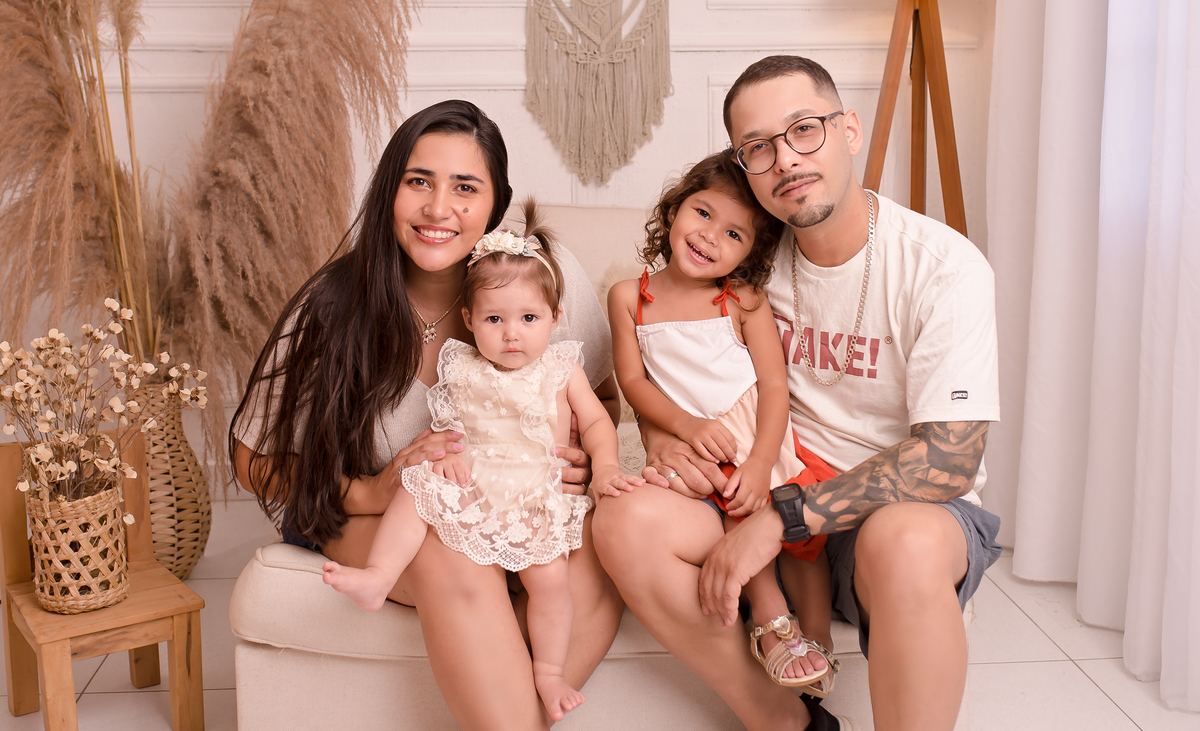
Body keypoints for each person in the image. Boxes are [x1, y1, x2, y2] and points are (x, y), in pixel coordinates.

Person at [594, 55, 1002, 731]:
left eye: (804, 129)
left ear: (849, 129)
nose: (784, 158)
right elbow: (661, 363)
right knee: (621, 521)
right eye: (758, 146)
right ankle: (788, 722)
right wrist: (665, 438)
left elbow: (950, 460)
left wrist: (783, 517)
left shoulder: (940, 266)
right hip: (757, 491)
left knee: (902, 541)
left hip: (889, 515)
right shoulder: (745, 257)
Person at [229, 100, 625, 730]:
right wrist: (367, 491)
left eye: (465, 188)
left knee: (605, 546)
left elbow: (600, 401)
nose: (439, 209)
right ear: (390, 191)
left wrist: (581, 457)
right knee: (448, 551)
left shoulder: (544, 278)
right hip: (374, 517)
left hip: (521, 502)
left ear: (494, 204)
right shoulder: (333, 305)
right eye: (419, 181)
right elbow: (251, 460)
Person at [323, 212, 642, 721]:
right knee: (417, 487)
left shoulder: (562, 369)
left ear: (555, 317)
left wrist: (602, 467)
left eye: (529, 319)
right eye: (495, 320)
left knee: (552, 586)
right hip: (475, 481)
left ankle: (548, 672)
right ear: (469, 320)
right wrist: (446, 456)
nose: (512, 335)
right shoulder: (462, 365)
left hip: (534, 495)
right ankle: (379, 576)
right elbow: (447, 427)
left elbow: (599, 423)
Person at [607, 151, 839, 693]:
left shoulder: (743, 300)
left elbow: (774, 385)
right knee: (734, 514)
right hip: (693, 436)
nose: (710, 237)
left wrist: (759, 463)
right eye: (703, 213)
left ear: (751, 252)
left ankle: (819, 641)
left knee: (802, 538)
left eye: (734, 234)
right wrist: (687, 428)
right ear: (674, 210)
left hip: (754, 433)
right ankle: (772, 622)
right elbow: (634, 383)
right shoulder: (629, 298)